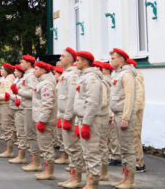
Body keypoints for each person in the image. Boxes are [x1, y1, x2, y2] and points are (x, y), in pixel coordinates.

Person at [73, 51, 106, 189]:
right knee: (86, 153)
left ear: (85, 62)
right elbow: (80, 102)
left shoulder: (92, 78)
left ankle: (93, 183)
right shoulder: (84, 77)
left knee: (92, 152)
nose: (76, 63)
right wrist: (78, 123)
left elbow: (92, 103)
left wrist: (86, 123)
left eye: (78, 60)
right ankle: (89, 182)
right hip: (83, 118)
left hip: (91, 120)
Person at [109, 48, 138, 189]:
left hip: (124, 116)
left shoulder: (127, 75)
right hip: (117, 115)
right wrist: (112, 115)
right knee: (123, 148)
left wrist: (125, 118)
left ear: (121, 59)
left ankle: (130, 181)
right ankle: (126, 178)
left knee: (127, 149)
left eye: (113, 58)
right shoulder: (118, 74)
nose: (111, 61)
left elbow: (129, 97)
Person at [57, 47, 84, 188]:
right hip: (64, 114)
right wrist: (60, 116)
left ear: (70, 59)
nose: (60, 58)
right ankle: (72, 176)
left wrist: (67, 117)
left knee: (74, 147)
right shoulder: (66, 74)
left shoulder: (72, 75)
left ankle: (77, 178)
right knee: (69, 147)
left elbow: (72, 97)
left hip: (71, 116)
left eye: (63, 56)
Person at [31, 60, 57, 181]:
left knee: (46, 146)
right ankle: (47, 169)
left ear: (42, 70)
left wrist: (42, 120)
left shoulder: (46, 84)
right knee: (44, 145)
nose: (34, 71)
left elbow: (47, 104)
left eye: (36, 69)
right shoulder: (42, 82)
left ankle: (49, 171)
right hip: (42, 118)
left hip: (45, 120)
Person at [13, 54, 39, 167]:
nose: (21, 64)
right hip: (25, 106)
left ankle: (35, 162)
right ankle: (23, 156)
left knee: (30, 134)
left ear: (28, 64)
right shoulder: (27, 75)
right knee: (24, 132)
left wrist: (18, 92)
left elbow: (34, 92)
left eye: (22, 62)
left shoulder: (31, 76)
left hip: (29, 107)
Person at [127, 59, 146, 173]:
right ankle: (134, 162)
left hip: (135, 111)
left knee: (134, 136)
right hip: (132, 110)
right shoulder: (131, 76)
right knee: (131, 137)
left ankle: (139, 163)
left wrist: (132, 111)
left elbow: (139, 96)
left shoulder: (135, 77)